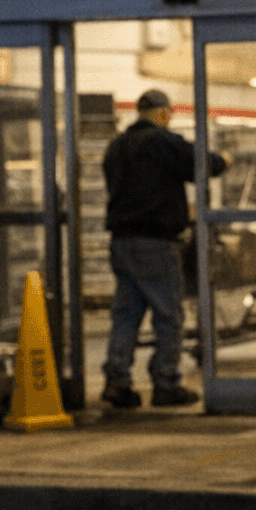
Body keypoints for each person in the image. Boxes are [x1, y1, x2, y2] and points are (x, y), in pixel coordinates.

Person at [101, 88, 228, 408]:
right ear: (162, 113)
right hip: (155, 242)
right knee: (169, 315)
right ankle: (166, 383)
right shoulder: (159, 141)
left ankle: (117, 381)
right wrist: (223, 161)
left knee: (126, 314)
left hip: (121, 243)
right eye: (168, 114)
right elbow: (202, 164)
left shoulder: (116, 147)